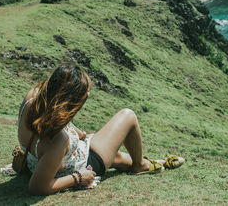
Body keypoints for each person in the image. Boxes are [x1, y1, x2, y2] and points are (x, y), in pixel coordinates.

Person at [17, 62, 184, 195]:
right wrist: (78, 178)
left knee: (119, 159)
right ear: (70, 103)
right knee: (128, 116)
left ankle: (153, 163)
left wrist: (78, 133)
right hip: (80, 165)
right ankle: (141, 165)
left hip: (47, 161)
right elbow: (37, 187)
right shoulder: (59, 141)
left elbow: (53, 118)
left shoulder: (33, 97)